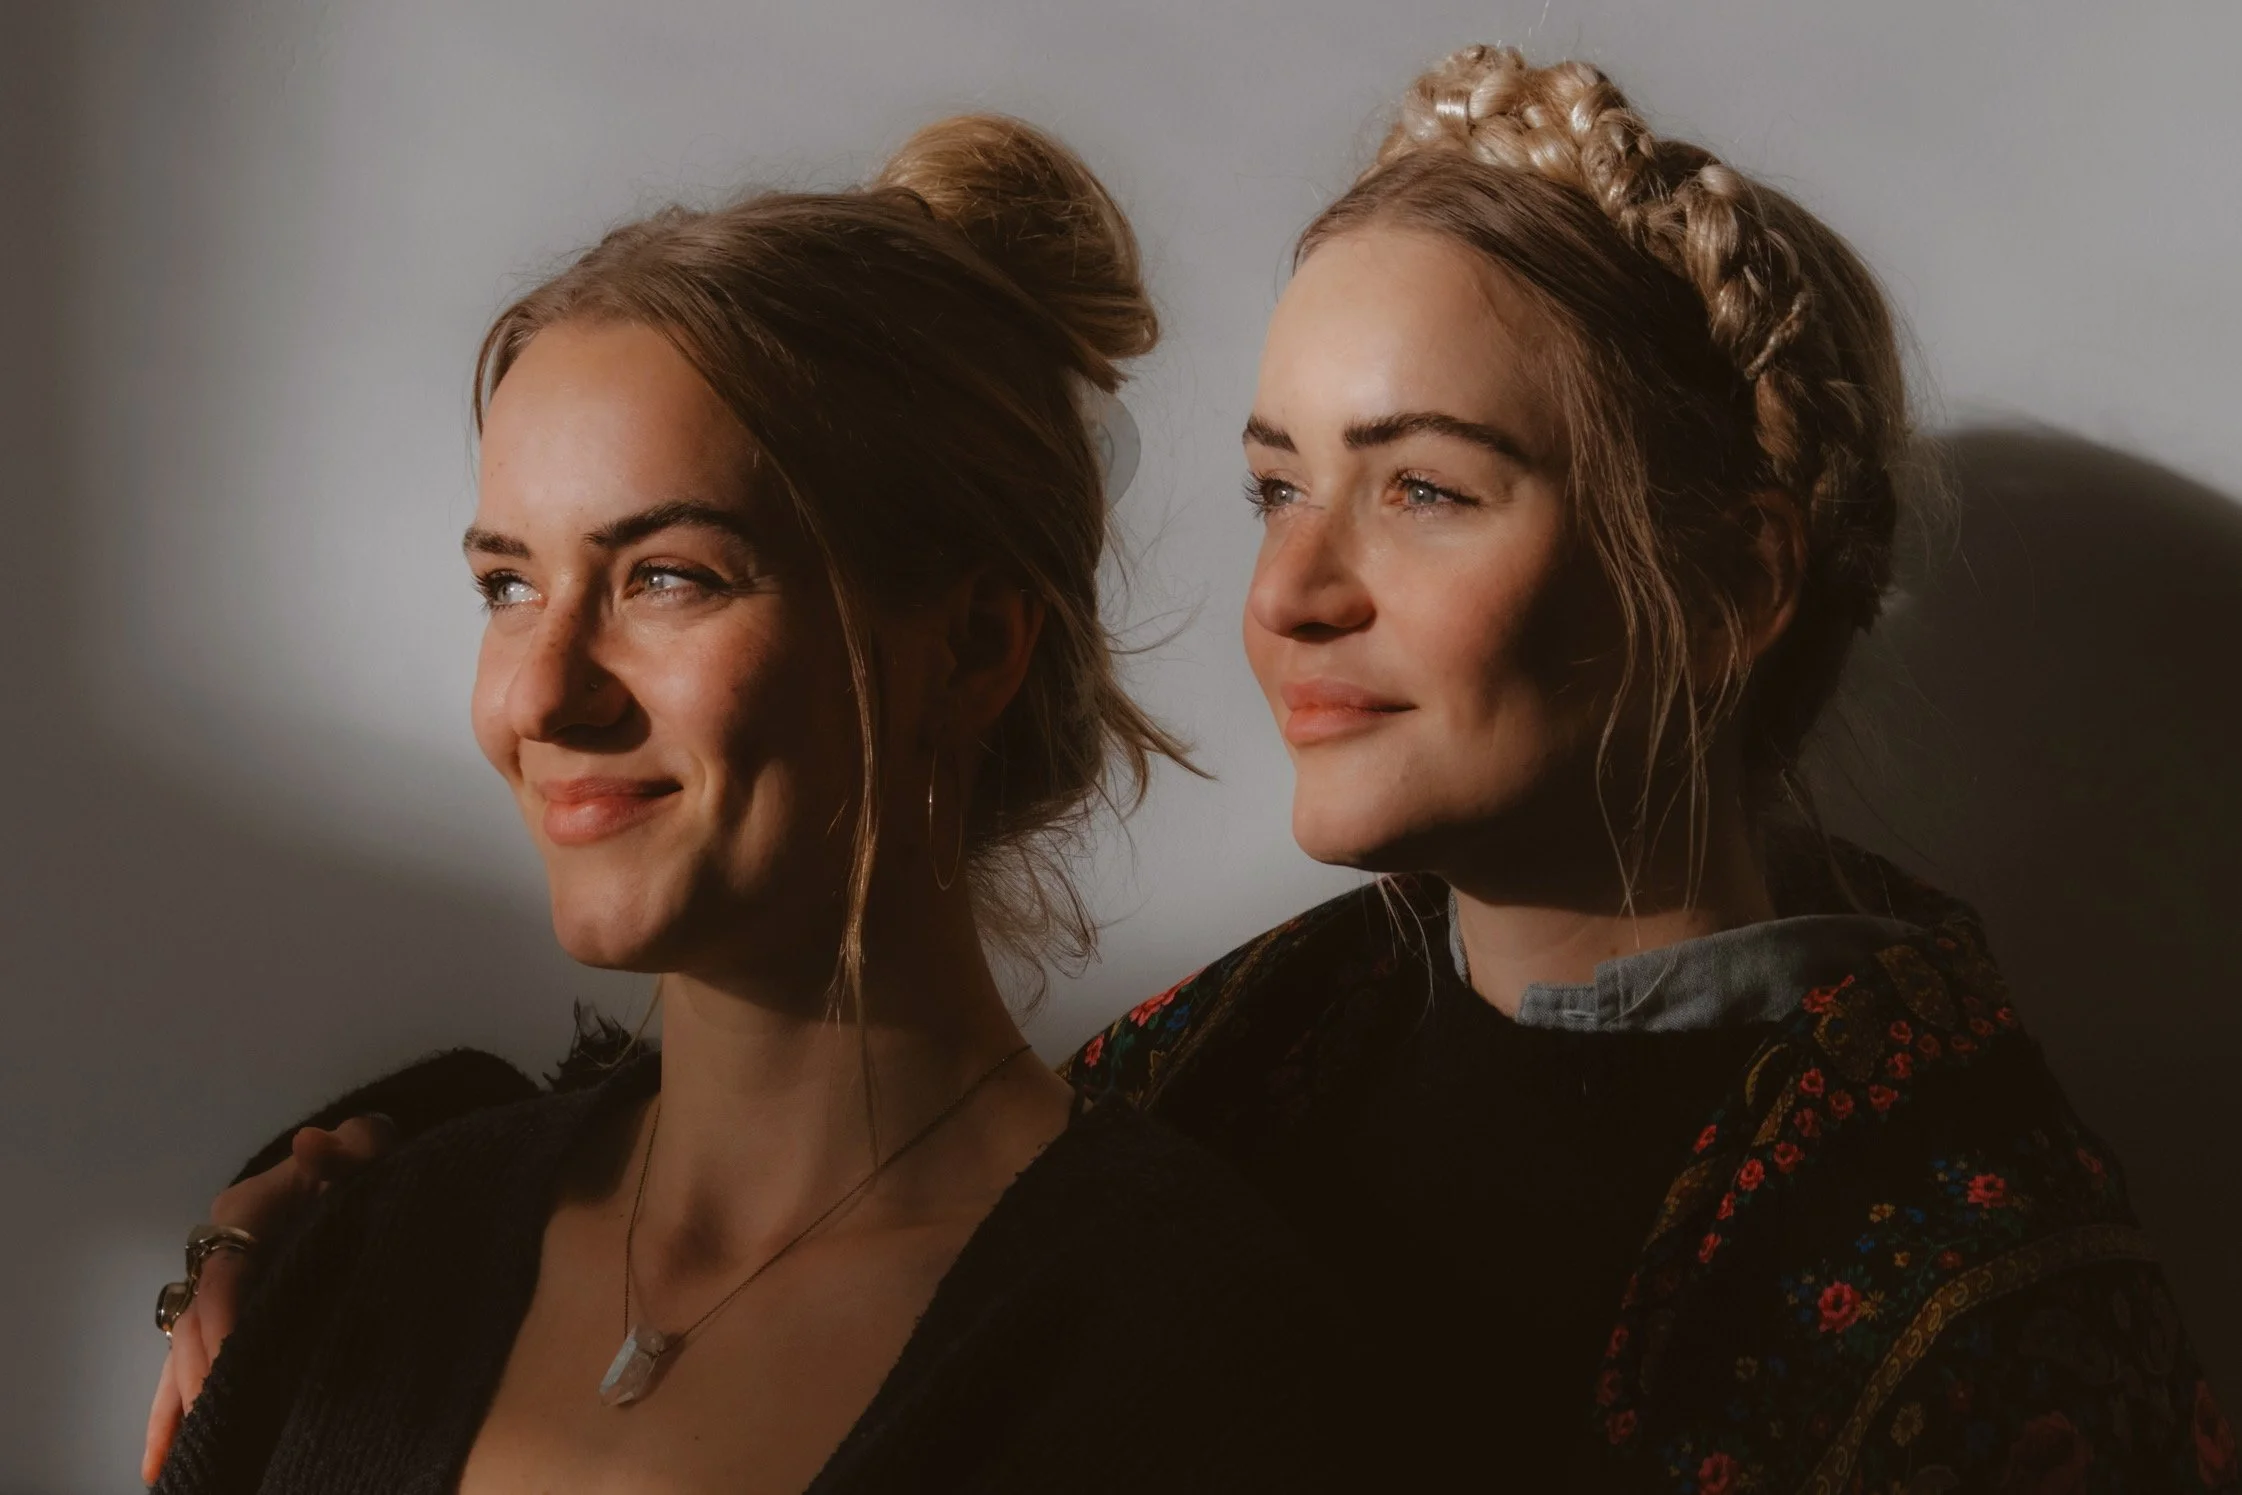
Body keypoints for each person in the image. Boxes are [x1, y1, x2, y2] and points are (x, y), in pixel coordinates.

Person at [152, 49, 2239, 1495]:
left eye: (1422, 489)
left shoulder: (1964, 1264)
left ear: (1726, 580)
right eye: (1268, 489)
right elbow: (806, 1152)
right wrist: (363, 1202)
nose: (1293, 591)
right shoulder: (1280, 1034)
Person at [142, 115, 1367, 1494]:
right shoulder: (378, 1246)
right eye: (508, 585)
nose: (542, 693)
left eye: (668, 574)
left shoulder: (1179, 1354)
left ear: (969, 648)